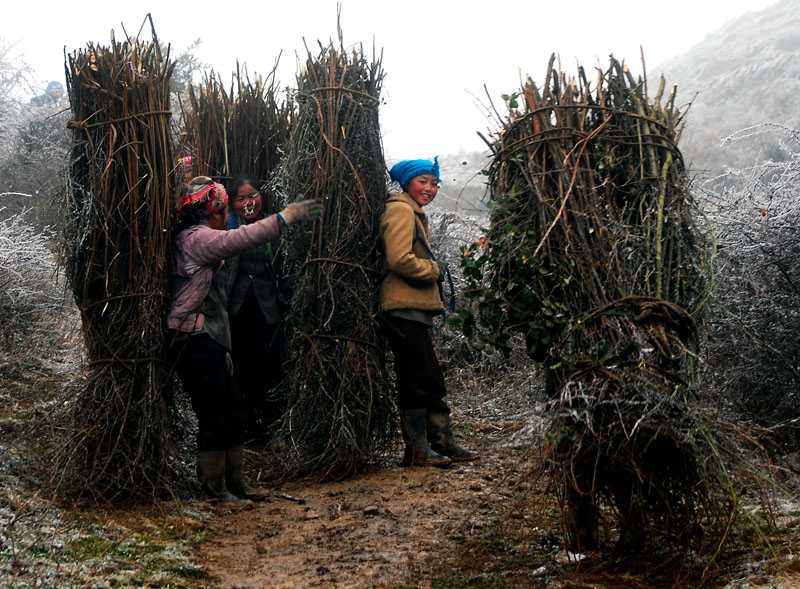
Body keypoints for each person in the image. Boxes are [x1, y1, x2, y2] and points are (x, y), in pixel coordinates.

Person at [168, 176, 322, 505]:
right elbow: (239, 240)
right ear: (217, 212)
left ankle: (235, 483)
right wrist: (284, 217)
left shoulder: (198, 236)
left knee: (232, 410)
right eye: (227, 208)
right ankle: (215, 490)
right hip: (191, 337)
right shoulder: (197, 239)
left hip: (205, 335)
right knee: (216, 412)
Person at [378, 157, 479, 468]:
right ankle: (418, 449)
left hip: (414, 308)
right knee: (414, 378)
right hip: (401, 305)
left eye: (434, 183)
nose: (430, 188)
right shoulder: (400, 209)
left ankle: (441, 441)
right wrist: (434, 269)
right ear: (407, 182)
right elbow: (400, 260)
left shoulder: (412, 211)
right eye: (423, 181)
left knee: (431, 377)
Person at [225, 173, 288, 438]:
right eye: (241, 199)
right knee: (242, 366)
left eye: (253, 196)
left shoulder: (275, 226)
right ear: (232, 203)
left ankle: (275, 423)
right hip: (237, 310)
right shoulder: (225, 227)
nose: (248, 203)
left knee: (271, 364)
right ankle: (246, 424)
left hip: (268, 308)